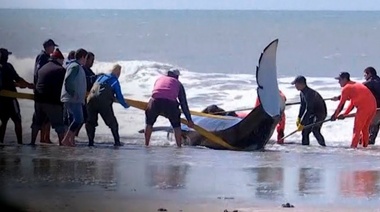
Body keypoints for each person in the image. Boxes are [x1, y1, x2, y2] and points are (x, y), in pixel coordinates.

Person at [145, 69, 194, 147]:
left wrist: (150, 107)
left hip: (155, 102)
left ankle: (146, 144)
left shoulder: (159, 79)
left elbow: (155, 93)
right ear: (177, 76)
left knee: (149, 123)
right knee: (176, 126)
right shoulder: (178, 83)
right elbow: (183, 103)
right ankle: (179, 146)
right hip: (170, 104)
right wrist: (189, 120)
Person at [85, 64, 129, 147]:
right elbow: (119, 96)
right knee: (113, 123)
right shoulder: (114, 80)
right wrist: (125, 105)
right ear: (118, 72)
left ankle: (90, 142)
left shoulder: (101, 77)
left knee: (91, 122)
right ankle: (117, 142)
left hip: (90, 99)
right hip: (103, 102)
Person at [30, 49, 66, 145]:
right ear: (58, 59)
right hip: (52, 101)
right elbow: (63, 85)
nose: (63, 62)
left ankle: (32, 142)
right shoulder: (60, 70)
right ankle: (63, 145)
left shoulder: (43, 68)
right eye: (62, 60)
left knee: (37, 122)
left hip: (38, 100)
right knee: (59, 125)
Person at [331, 72, 376, 148]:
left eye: (340, 80)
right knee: (365, 128)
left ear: (345, 79)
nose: (338, 82)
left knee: (356, 130)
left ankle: (353, 148)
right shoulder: (355, 85)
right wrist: (345, 114)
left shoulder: (346, 88)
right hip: (373, 106)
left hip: (364, 108)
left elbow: (341, 104)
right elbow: (352, 103)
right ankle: (365, 147)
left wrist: (334, 115)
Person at [0, 48, 34, 144]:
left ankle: (1, 142)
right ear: (6, 56)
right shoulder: (8, 66)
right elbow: (17, 78)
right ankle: (20, 143)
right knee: (17, 120)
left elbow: (7, 82)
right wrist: (29, 85)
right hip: (11, 99)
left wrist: (18, 85)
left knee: (3, 121)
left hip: (1, 99)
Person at [60, 48, 88, 147]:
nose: (86, 60)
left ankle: (71, 140)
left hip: (74, 99)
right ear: (83, 57)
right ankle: (66, 139)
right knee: (79, 119)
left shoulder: (76, 66)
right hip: (73, 99)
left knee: (74, 119)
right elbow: (68, 80)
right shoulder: (75, 66)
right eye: (86, 58)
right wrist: (73, 93)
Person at [34, 39, 59, 144]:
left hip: (42, 90)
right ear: (48, 47)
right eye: (52, 47)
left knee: (45, 117)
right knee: (44, 117)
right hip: (42, 91)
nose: (53, 49)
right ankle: (44, 138)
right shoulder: (43, 57)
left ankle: (45, 138)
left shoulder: (44, 56)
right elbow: (39, 72)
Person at [291, 75, 327, 146]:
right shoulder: (302, 93)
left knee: (315, 130)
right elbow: (303, 106)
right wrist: (299, 118)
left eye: (296, 84)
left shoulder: (310, 93)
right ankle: (306, 150)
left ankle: (323, 147)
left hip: (320, 114)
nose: (295, 86)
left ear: (302, 84)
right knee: (305, 132)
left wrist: (302, 123)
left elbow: (309, 109)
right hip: (312, 114)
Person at [75, 52, 97, 136]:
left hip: (87, 100)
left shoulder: (89, 70)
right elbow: (85, 81)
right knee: (83, 120)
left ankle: (76, 136)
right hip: (82, 99)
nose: (92, 62)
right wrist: (95, 78)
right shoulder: (82, 69)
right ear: (86, 59)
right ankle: (73, 136)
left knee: (86, 120)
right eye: (91, 60)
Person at [363, 67, 380, 145]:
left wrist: (340, 97)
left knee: (370, 128)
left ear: (369, 74)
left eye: (365, 75)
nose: (364, 77)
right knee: (374, 128)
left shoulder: (370, 83)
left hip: (377, 110)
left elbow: (355, 91)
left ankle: (368, 149)